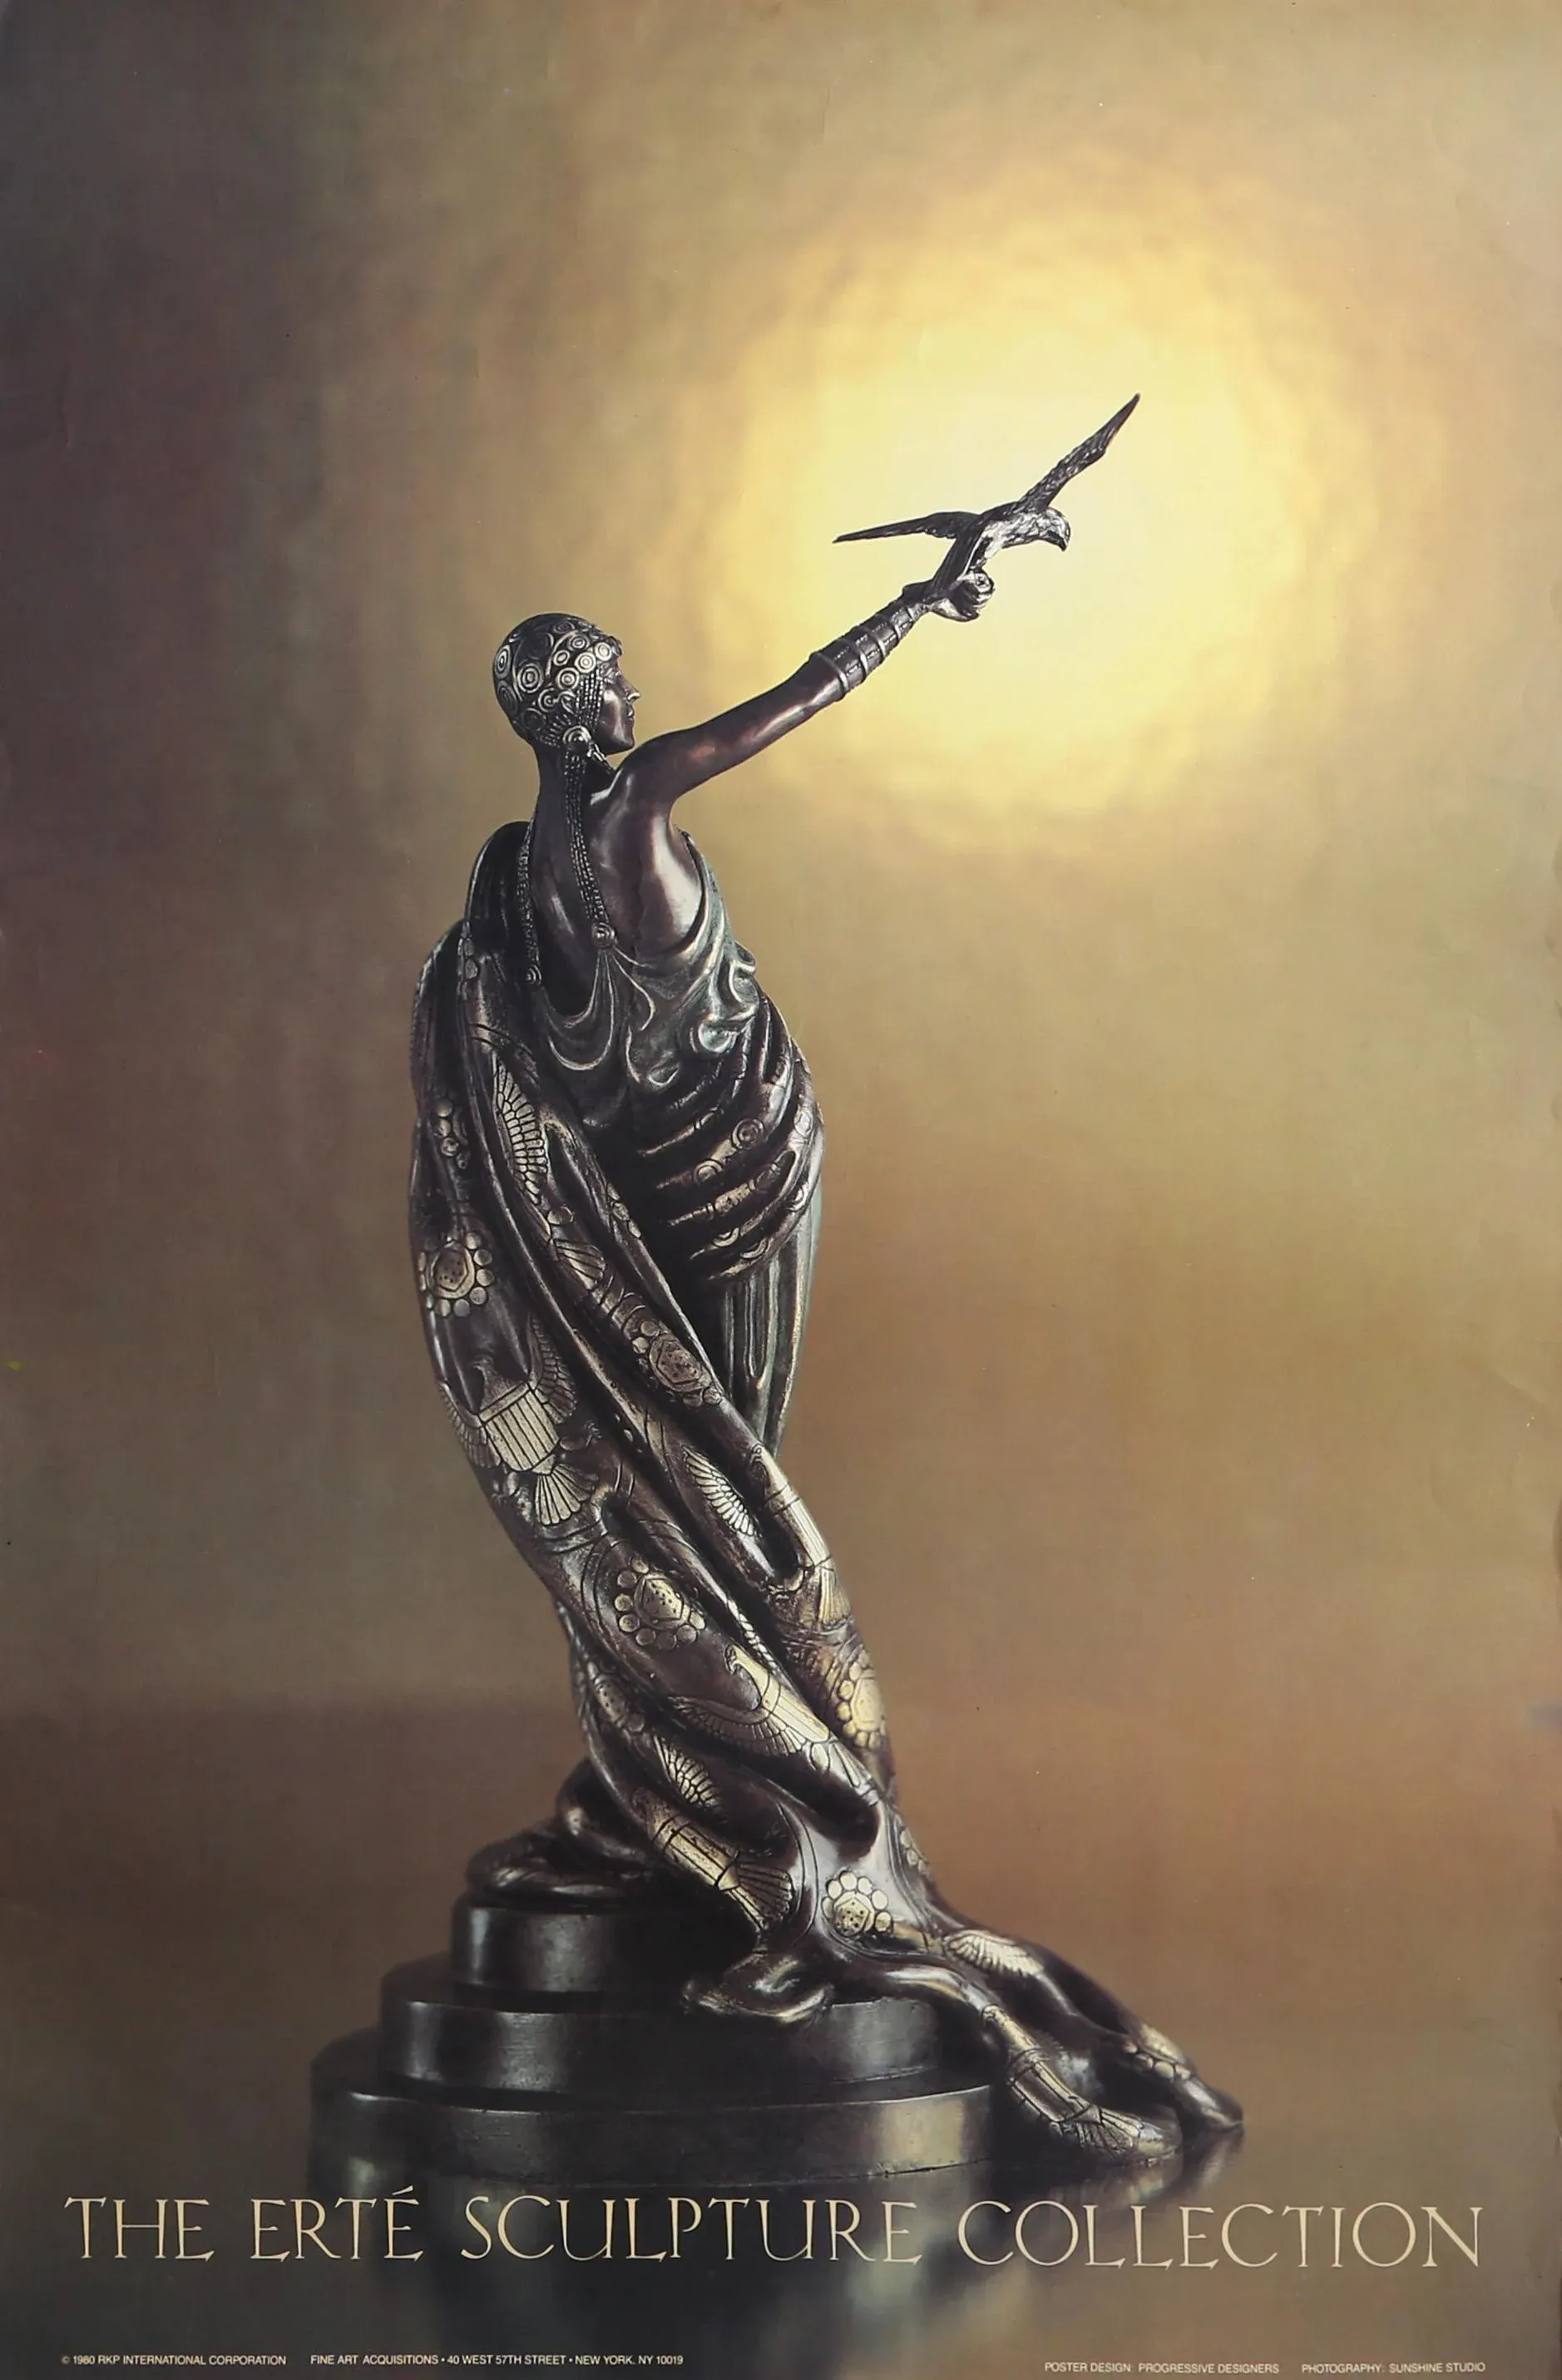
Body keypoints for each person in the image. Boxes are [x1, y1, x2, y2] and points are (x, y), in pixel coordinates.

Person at [409, 549, 1239, 2162]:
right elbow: (794, 700)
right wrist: (932, 594)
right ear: (577, 705)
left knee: (673, 1487)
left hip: (657, 1184)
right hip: (727, 1191)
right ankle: (782, 1834)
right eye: (608, 674)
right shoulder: (632, 803)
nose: (629, 691)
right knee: (710, 1500)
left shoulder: (513, 868)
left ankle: (683, 1789)